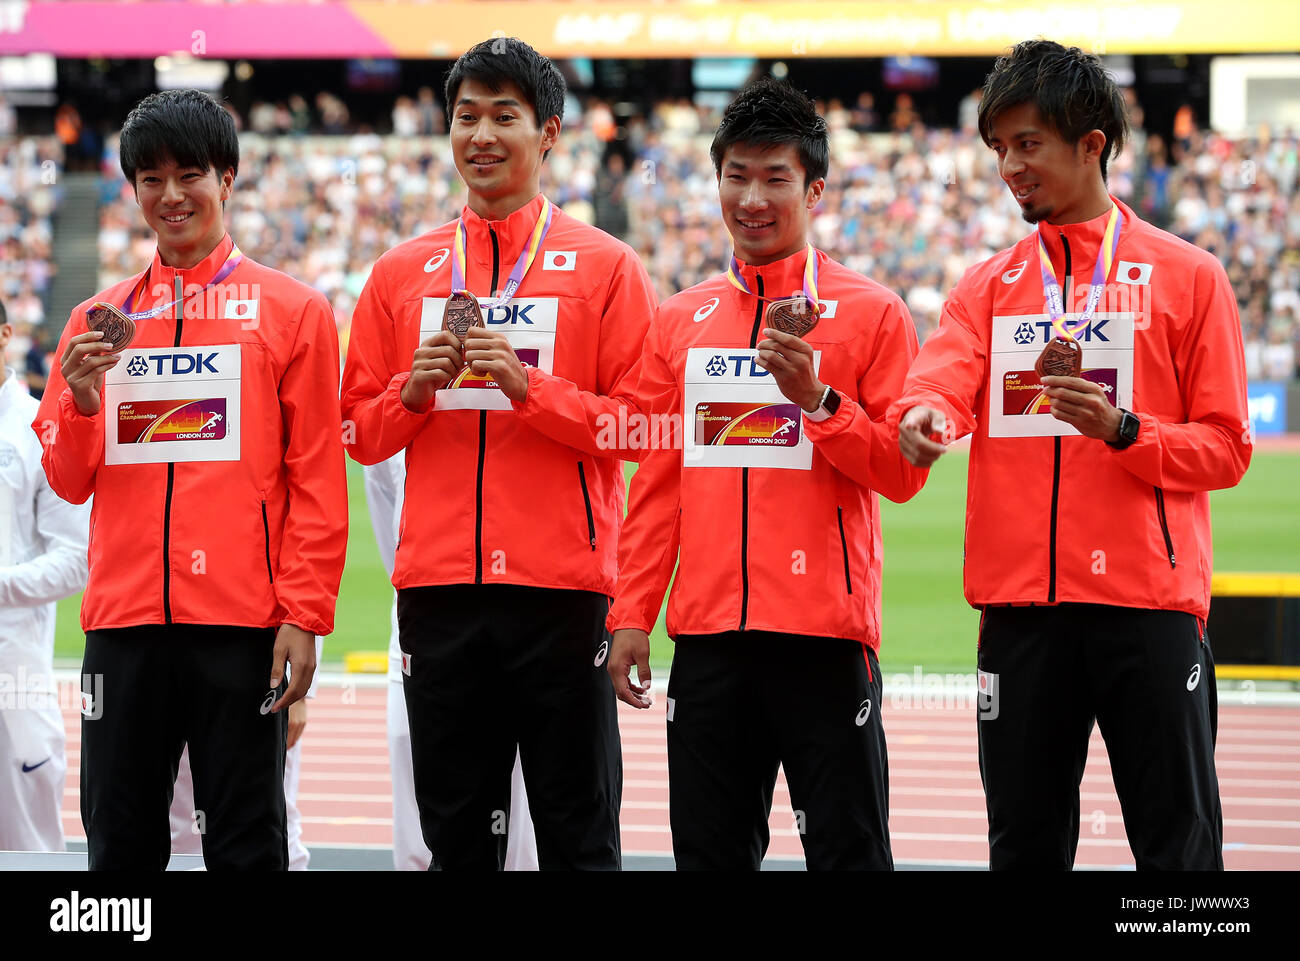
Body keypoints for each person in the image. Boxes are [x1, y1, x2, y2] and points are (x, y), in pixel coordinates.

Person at [893, 40, 1250, 871]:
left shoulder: (1190, 278)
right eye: (998, 149)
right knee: (1023, 845)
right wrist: (923, 418)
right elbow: (939, 382)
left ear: (1092, 143)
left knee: (1179, 848)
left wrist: (1127, 431)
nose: (1010, 167)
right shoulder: (984, 288)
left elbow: (1228, 448)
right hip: (1021, 616)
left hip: (1149, 608)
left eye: (1028, 144)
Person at [340, 38, 657, 871]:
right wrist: (407, 398)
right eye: (465, 116)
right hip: (441, 596)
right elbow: (355, 432)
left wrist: (532, 389)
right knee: (456, 839)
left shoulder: (608, 269)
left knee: (578, 836)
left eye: (503, 117)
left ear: (547, 133)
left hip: (562, 595)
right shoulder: (399, 275)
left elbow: (642, 429)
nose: (480, 135)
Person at [607, 77, 926, 870]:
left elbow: (900, 472)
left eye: (775, 178)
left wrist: (819, 401)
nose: (752, 197)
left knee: (851, 854)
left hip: (824, 642)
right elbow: (657, 485)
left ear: (814, 189)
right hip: (710, 645)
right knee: (709, 856)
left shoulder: (874, 313)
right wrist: (631, 613)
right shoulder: (680, 319)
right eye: (736, 176)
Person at [33, 89, 349, 870]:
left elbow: (316, 477)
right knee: (119, 846)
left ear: (228, 177)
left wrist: (304, 615)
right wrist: (78, 400)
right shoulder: (93, 321)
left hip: (240, 629)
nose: (171, 195)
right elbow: (68, 483)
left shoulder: (294, 312)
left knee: (246, 842)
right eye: (150, 179)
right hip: (124, 627)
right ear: (131, 188)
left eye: (190, 174)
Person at [363, 455, 538, 871]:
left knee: (522, 809)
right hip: (422, 616)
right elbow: (386, 505)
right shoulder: (401, 400)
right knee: (420, 810)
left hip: (528, 611)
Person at [0, 298, 89, 853]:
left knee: (24, 844)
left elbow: (76, 558)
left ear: (5, 333)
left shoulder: (35, 427)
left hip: (12, 676)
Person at [169, 634, 324, 870]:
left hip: (256, 665)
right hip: (173, 658)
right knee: (180, 823)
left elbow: (303, 603)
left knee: (270, 816)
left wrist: (301, 692)